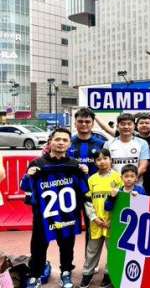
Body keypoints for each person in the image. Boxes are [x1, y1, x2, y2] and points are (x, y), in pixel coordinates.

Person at [21, 128, 89, 288]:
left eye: (65, 140)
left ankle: (66, 272)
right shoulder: (37, 164)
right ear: (50, 141)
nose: (61, 143)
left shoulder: (75, 165)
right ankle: (36, 274)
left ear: (69, 144)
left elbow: (85, 190)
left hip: (67, 215)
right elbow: (26, 188)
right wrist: (28, 175)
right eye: (57, 139)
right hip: (43, 215)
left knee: (67, 245)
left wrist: (84, 174)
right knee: (38, 245)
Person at [79, 149, 122, 288]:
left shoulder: (117, 178)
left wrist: (113, 219)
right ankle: (87, 274)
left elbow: (122, 201)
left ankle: (109, 275)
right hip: (96, 222)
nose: (102, 161)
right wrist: (93, 217)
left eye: (105, 158)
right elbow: (87, 201)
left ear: (111, 160)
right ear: (95, 162)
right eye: (98, 159)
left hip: (111, 222)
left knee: (113, 250)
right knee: (92, 250)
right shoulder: (91, 179)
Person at [103, 113, 150, 178]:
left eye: (129, 124)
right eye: (123, 124)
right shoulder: (108, 144)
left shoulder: (142, 143)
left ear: (134, 126)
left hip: (136, 184)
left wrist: (131, 179)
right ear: (117, 126)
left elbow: (143, 167)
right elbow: (106, 165)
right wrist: (117, 180)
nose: (126, 127)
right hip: (114, 184)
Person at [68, 108, 107, 177]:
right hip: (74, 186)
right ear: (75, 124)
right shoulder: (67, 143)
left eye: (87, 122)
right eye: (80, 121)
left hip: (96, 186)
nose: (83, 124)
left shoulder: (102, 144)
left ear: (92, 124)